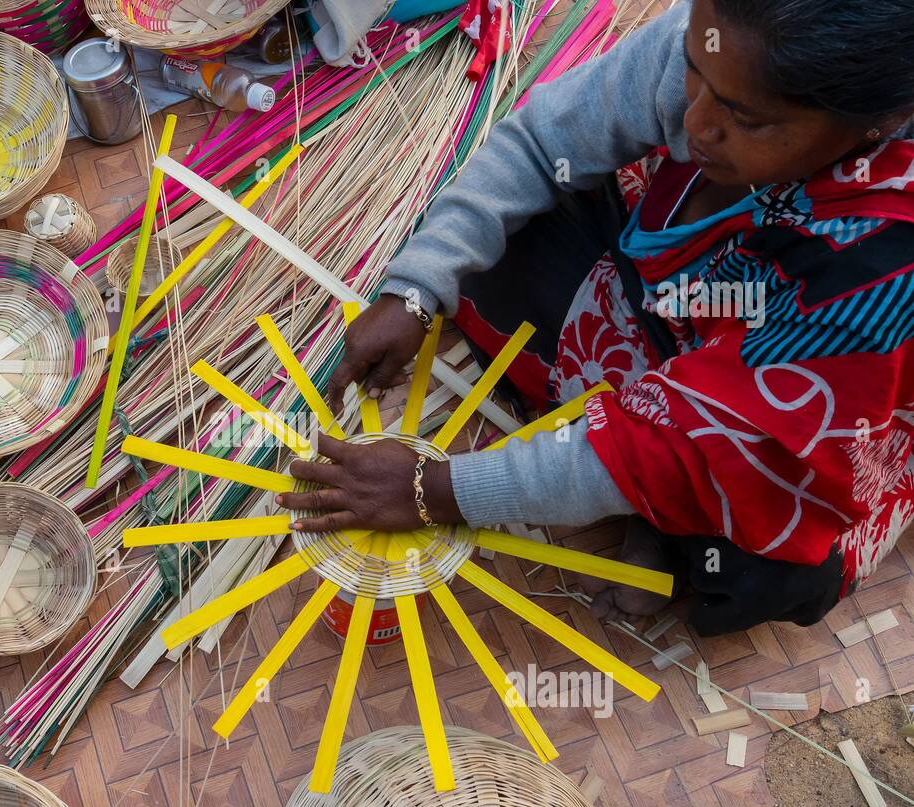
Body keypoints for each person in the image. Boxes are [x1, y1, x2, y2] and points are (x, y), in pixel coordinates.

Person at [276, 0, 914, 636]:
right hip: (699, 302)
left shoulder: (880, 261)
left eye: (743, 119)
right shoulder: (736, 36)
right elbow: (541, 142)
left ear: (876, 125)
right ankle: (641, 482)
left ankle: (663, 513)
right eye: (695, 73)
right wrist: (415, 288)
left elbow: (697, 442)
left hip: (834, 408)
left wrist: (433, 491)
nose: (695, 122)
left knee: (762, 566)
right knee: (496, 244)